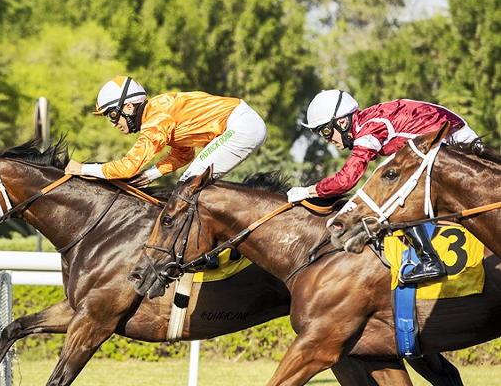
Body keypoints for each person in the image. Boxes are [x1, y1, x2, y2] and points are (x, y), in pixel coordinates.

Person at [289, 89, 479, 284]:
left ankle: (429, 261)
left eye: (326, 131)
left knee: (394, 195)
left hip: (451, 139)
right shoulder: (368, 121)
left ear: (342, 122)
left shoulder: (370, 129)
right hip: (448, 136)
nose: (327, 139)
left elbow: (347, 180)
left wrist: (309, 191)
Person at [64, 76, 267, 187]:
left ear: (128, 107)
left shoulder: (156, 119)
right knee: (191, 185)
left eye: (112, 115)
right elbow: (184, 154)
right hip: (242, 123)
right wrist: (152, 174)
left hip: (240, 126)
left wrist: (82, 169)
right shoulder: (157, 112)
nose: (112, 123)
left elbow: (128, 167)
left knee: (188, 186)